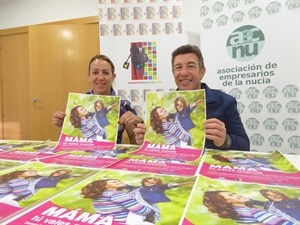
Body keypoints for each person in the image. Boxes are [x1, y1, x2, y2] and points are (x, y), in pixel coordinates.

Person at [134, 44, 250, 151]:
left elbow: (245, 145)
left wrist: (225, 140)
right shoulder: (166, 107)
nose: (184, 72)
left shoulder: (225, 102)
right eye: (178, 67)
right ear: (173, 72)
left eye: (191, 66)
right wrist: (144, 140)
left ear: (202, 72)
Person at [52, 54, 143, 144]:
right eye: (95, 72)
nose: (100, 77)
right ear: (89, 77)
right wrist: (62, 127)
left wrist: (139, 131)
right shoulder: (79, 104)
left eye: (105, 73)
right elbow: (70, 138)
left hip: (112, 156)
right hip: (84, 154)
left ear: (113, 77)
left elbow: (134, 141)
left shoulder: (123, 105)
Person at [80, 178, 155, 224]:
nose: (119, 182)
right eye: (114, 182)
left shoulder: (97, 196)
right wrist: (152, 211)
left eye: (118, 181)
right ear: (105, 186)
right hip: (123, 222)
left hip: (106, 221)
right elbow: (140, 210)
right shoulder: (116, 194)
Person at [202, 190, 294, 224]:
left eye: (234, 193)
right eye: (231, 196)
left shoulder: (237, 215)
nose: (237, 195)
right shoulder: (252, 212)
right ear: (226, 201)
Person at [212, 154, 278, 171]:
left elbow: (244, 142)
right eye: (226, 156)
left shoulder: (237, 159)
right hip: (261, 168)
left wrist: (227, 140)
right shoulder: (236, 162)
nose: (228, 156)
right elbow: (250, 165)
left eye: (226, 155)